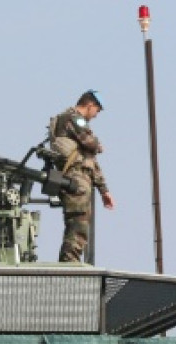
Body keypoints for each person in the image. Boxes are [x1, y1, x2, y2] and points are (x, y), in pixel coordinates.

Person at [50, 90, 116, 263]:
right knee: (77, 224)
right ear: (90, 105)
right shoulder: (71, 118)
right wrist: (97, 144)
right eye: (97, 111)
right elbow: (92, 144)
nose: (96, 116)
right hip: (74, 179)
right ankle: (69, 265)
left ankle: (71, 263)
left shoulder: (76, 124)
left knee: (81, 226)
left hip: (81, 178)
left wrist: (104, 190)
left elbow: (91, 161)